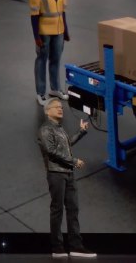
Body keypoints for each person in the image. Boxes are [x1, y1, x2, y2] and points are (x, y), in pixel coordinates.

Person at [37, 98, 95, 259]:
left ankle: (76, 246)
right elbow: (52, 152)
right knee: (57, 210)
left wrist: (81, 131)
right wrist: (74, 161)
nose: (60, 109)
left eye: (61, 107)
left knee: (73, 209)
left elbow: (66, 145)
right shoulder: (45, 129)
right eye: (56, 107)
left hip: (68, 173)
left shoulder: (59, 128)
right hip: (56, 173)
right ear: (47, 111)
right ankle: (57, 247)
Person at [29, 0, 70, 106]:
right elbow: (34, 16)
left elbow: (63, 12)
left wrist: (65, 31)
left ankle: (55, 89)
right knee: (41, 60)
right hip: (44, 33)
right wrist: (36, 37)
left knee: (56, 59)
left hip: (59, 31)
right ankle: (40, 93)